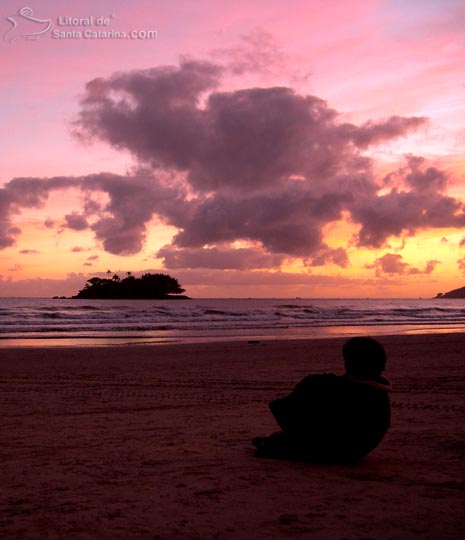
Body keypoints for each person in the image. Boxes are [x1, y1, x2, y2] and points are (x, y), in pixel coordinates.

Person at [252, 336, 392, 463]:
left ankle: (285, 443)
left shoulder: (346, 389)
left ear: (351, 363)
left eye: (348, 361)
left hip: (339, 449)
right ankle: (285, 441)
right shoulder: (373, 392)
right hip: (357, 448)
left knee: (310, 386)